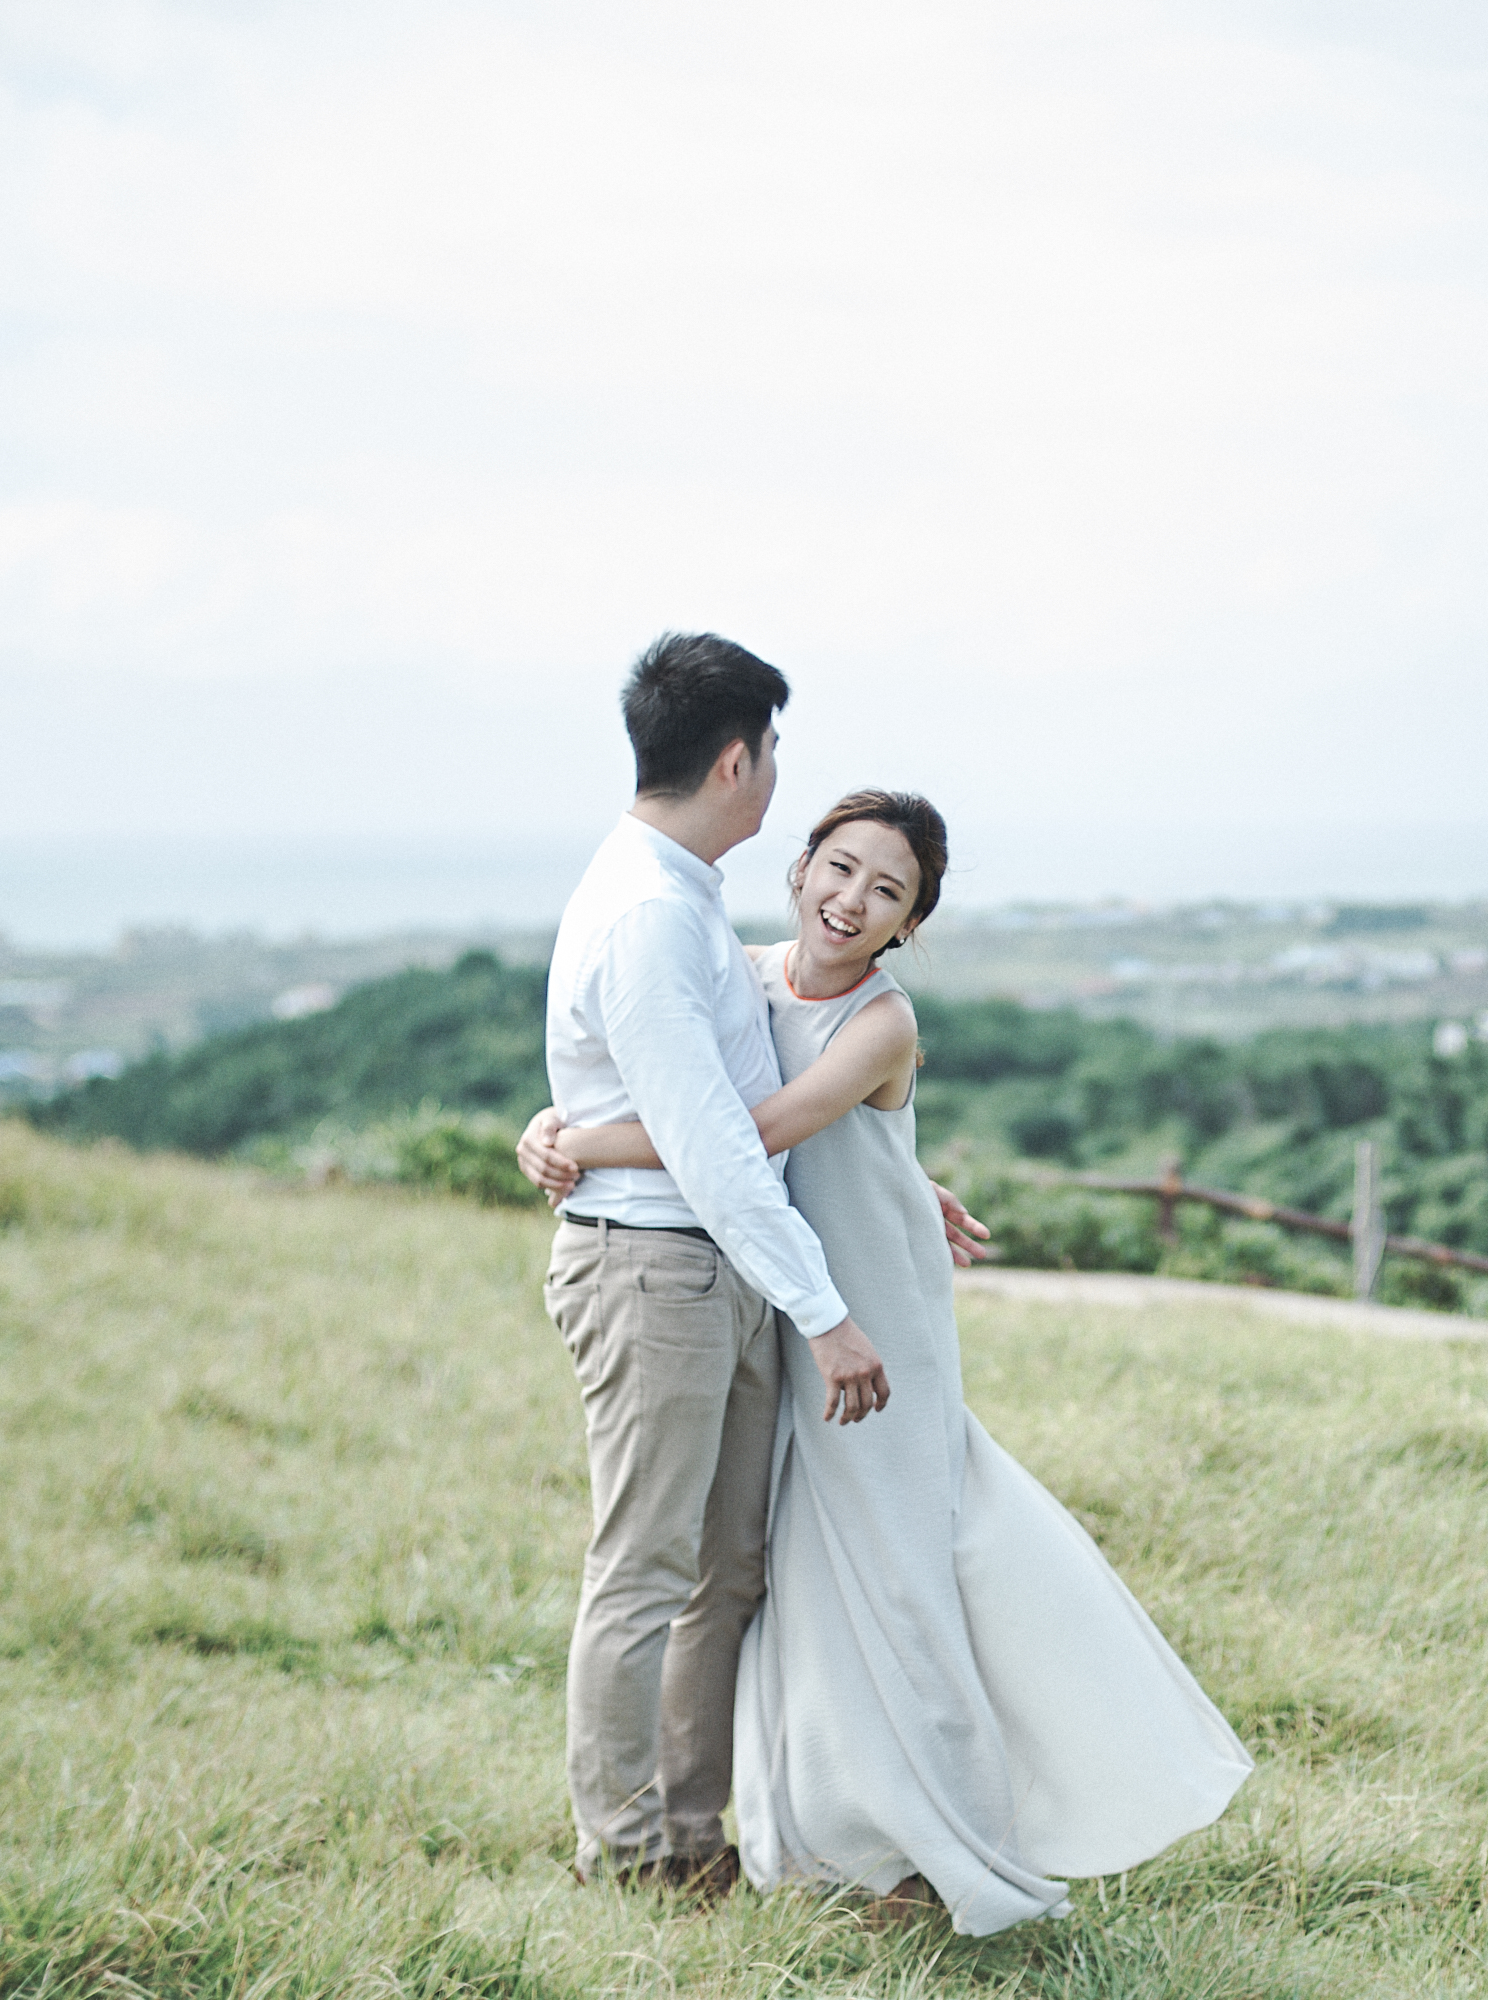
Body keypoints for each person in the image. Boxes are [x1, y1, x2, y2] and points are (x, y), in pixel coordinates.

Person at [523, 789, 1253, 1935]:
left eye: (888, 891)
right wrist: (552, 1113)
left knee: (904, 1583)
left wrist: (576, 1139)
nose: (852, 899)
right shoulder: (744, 972)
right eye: (841, 866)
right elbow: (666, 1072)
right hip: (786, 1310)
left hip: (873, 1325)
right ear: (801, 864)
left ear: (911, 923)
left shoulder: (884, 1021)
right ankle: (831, 1838)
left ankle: (950, 1858)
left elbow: (756, 1129)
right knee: (793, 1586)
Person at [534, 634, 985, 1896]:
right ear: (737, 761)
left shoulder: (689, 902)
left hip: (718, 1269)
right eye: (774, 749)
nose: (779, 771)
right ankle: (627, 1852)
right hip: (655, 1267)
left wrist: (892, 1179)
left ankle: (691, 1833)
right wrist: (826, 1312)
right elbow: (714, 1138)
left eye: (884, 888)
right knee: (645, 1568)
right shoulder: (650, 912)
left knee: (725, 1568)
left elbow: (761, 1099)